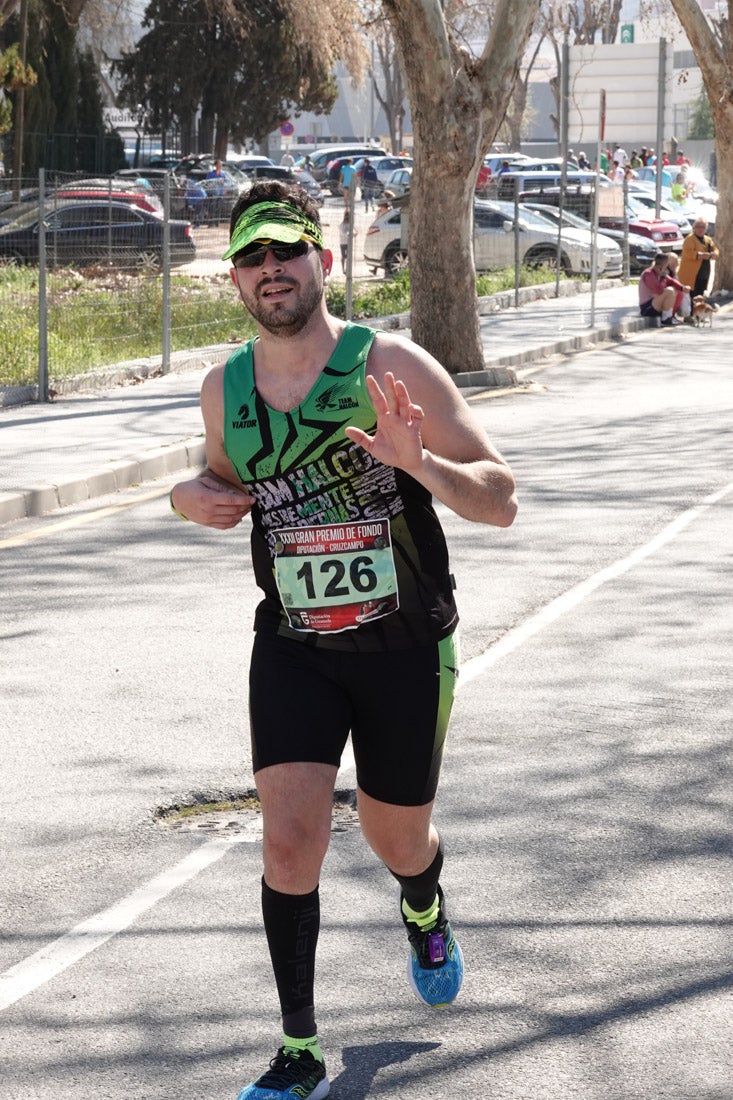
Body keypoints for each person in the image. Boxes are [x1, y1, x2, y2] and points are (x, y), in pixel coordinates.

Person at [169, 179, 518, 1100]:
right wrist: (182, 497)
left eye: (286, 251)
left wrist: (418, 461)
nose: (270, 270)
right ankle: (297, 1050)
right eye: (251, 257)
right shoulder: (224, 390)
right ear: (235, 280)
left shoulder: (390, 366)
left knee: (394, 836)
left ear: (320, 261)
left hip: (403, 646)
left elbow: (501, 499)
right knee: (288, 842)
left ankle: (424, 898)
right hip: (292, 646)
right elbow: (212, 482)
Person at [678, 218, 720, 301]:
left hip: (703, 273)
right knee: (690, 297)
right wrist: (700, 255)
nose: (700, 229)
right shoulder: (689, 239)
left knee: (700, 295)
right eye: (698, 227)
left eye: (703, 227)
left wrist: (715, 253)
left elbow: (715, 249)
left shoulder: (708, 239)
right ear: (694, 228)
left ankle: (698, 312)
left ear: (706, 229)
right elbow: (687, 253)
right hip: (691, 275)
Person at [638, 251, 679, 326]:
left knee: (674, 290)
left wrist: (683, 287)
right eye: (666, 265)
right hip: (647, 307)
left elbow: (672, 281)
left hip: (655, 303)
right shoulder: (649, 274)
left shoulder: (660, 272)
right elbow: (659, 290)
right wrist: (663, 278)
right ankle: (665, 319)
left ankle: (669, 317)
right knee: (669, 291)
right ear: (663, 265)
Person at [663, 251, 692, 321]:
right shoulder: (664, 271)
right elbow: (671, 281)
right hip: (663, 294)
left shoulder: (673, 271)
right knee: (678, 293)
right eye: (676, 262)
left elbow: (676, 281)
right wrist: (682, 288)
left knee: (682, 292)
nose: (677, 264)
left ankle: (682, 314)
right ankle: (670, 315)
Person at [206, 158, 227, 226]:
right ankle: (210, 223)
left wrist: (224, 190)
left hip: (220, 193)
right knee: (211, 208)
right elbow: (208, 182)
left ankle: (216, 222)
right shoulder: (211, 174)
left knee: (218, 208)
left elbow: (225, 182)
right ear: (216, 165)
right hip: (212, 193)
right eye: (219, 164)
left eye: (221, 165)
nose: (220, 166)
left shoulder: (223, 174)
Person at [338, 207, 354, 273]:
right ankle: (343, 269)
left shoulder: (350, 224)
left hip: (349, 242)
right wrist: (349, 233)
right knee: (343, 256)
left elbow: (353, 230)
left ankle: (347, 269)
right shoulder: (341, 225)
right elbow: (343, 233)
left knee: (348, 256)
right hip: (343, 242)